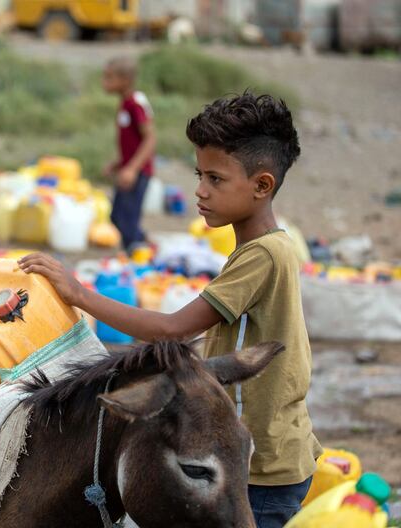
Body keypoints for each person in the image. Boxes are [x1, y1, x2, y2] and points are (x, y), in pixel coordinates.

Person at [20, 92, 322, 528]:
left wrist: (79, 294)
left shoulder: (263, 256)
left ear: (262, 185)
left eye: (216, 179)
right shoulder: (262, 248)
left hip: (255, 467)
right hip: (267, 452)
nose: (200, 190)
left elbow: (173, 329)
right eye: (200, 175)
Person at [102, 56, 157, 252]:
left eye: (109, 78)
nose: (104, 82)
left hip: (139, 171)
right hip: (127, 169)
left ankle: (138, 256)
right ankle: (145, 244)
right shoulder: (124, 103)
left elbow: (150, 139)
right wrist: (118, 164)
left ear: (125, 80)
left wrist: (132, 169)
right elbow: (133, 142)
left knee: (128, 220)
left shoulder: (136, 103)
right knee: (116, 216)